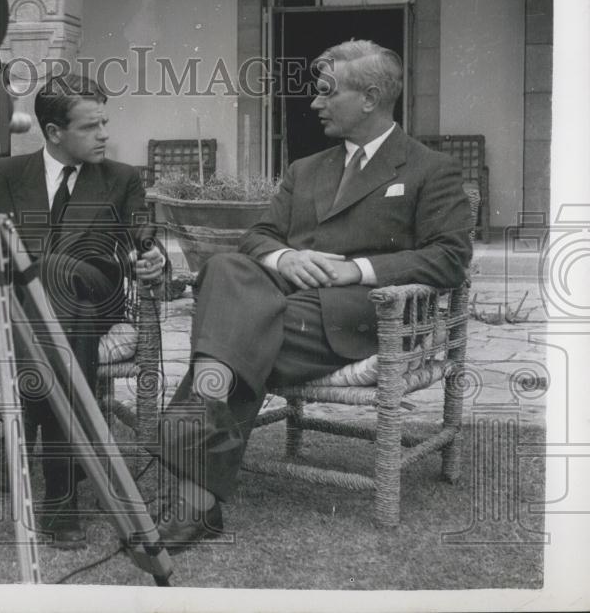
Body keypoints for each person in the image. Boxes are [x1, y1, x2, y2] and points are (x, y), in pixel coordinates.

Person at [155, 40, 473, 552]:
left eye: (327, 92)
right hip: (281, 305)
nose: (314, 103)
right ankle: (199, 491)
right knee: (223, 267)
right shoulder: (306, 169)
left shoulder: (429, 169)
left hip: (358, 318)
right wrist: (285, 259)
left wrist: (356, 270)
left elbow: (450, 257)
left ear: (370, 97)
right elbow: (257, 236)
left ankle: (196, 476)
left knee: (236, 331)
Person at [0, 73, 165, 548]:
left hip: (93, 296)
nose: (103, 135)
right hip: (17, 306)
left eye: (104, 122)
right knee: (51, 299)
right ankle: (69, 474)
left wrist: (152, 254)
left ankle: (43, 473)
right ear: (54, 133)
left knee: (57, 274)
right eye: (89, 126)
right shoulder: (1, 175)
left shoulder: (122, 178)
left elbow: (142, 233)